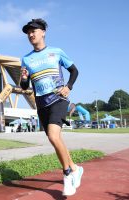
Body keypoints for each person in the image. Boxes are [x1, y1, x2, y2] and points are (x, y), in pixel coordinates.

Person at [20, 18, 83, 196]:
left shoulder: (56, 52)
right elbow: (25, 86)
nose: (30, 34)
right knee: (54, 140)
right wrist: (24, 79)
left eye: (34, 31)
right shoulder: (26, 59)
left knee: (54, 137)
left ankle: (68, 176)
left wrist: (68, 86)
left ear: (43, 32)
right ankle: (75, 168)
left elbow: (74, 71)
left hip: (58, 99)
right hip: (41, 103)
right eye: (28, 32)